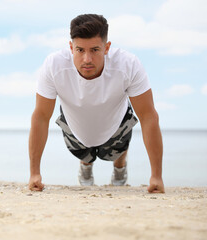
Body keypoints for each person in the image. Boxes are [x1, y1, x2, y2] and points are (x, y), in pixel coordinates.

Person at [28, 14, 165, 193]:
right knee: (86, 153)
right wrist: (34, 174)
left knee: (117, 148)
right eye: (80, 50)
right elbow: (40, 116)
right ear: (71, 47)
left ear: (107, 47)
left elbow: (148, 116)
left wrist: (156, 176)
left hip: (117, 125)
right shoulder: (54, 65)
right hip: (76, 125)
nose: (87, 59)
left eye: (94, 50)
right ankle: (86, 162)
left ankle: (120, 166)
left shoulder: (128, 64)